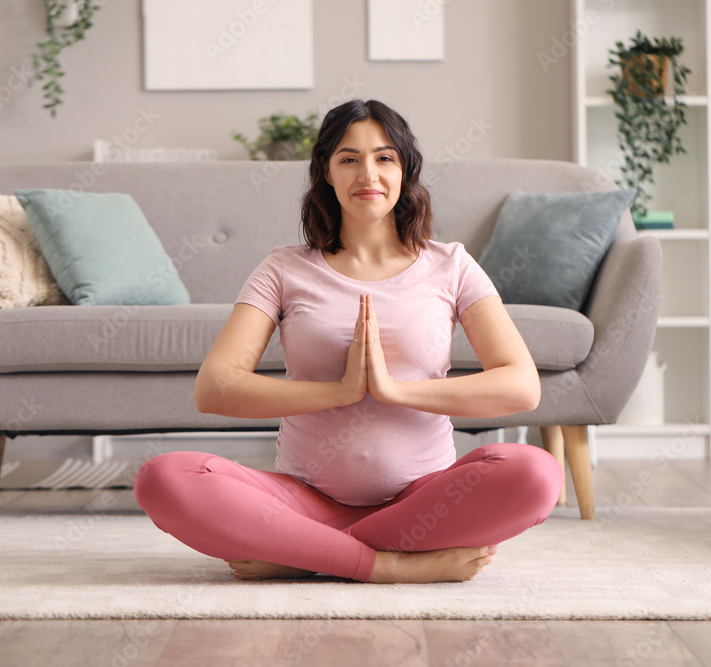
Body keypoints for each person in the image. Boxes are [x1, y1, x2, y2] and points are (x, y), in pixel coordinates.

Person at [134, 99, 562, 584]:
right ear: (326, 173)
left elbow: (521, 386)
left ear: (405, 171)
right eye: (348, 159)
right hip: (304, 504)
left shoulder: (452, 265)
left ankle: (305, 555)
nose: (368, 174)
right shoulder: (283, 268)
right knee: (164, 478)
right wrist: (339, 391)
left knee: (537, 474)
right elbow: (214, 387)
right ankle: (384, 564)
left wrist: (392, 390)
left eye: (384, 158)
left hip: (421, 503)